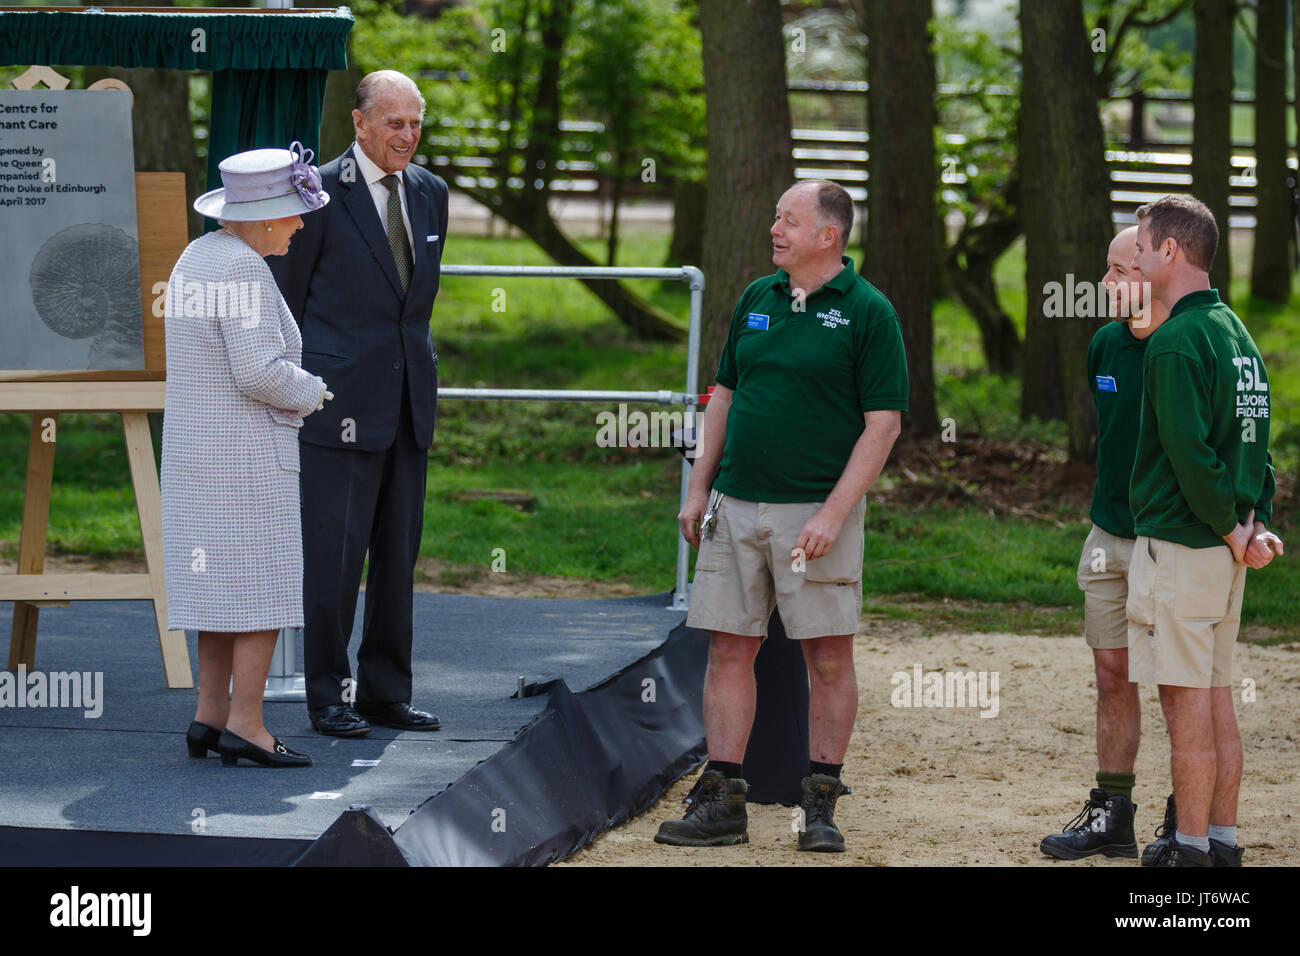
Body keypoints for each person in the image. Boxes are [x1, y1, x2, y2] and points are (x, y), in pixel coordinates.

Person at [655, 179, 907, 852]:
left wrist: (833, 513)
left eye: (789, 221)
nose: (775, 229)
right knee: (727, 648)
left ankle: (820, 799)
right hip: (734, 505)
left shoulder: (869, 313)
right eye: (775, 217)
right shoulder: (755, 298)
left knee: (827, 657)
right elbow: (723, 397)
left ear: (829, 235)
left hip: (815, 516)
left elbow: (882, 427)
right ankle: (723, 796)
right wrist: (698, 488)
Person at [269, 71, 449, 738]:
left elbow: (413, 307)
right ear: (360, 124)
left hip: (408, 405)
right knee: (335, 562)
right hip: (335, 403)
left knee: (398, 558)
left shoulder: (431, 193)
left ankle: (385, 693)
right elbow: (286, 300)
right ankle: (328, 697)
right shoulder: (316, 196)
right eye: (393, 122)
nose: (406, 135)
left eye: (415, 122)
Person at [1127, 194, 1282, 866]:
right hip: (1226, 551)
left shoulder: (1175, 340)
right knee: (1217, 699)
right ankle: (1222, 840)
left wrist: (1226, 530)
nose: (1132, 258)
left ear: (1170, 251)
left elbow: (1192, 454)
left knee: (1184, 706)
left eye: (1139, 246)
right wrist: (1254, 525)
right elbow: (1255, 446)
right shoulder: (1236, 333)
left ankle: (1188, 848)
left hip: (1190, 547)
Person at [165, 142, 331, 767]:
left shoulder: (196, 255)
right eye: (293, 212)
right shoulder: (242, 269)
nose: (299, 224)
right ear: (263, 216)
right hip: (245, 457)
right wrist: (313, 392)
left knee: (219, 590)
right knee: (261, 591)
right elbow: (260, 372)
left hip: (199, 456)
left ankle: (209, 717)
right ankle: (248, 724)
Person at [1040, 225, 1165, 859]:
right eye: (1106, 269)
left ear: (1156, 267)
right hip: (1106, 534)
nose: (1105, 284)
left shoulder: (1187, 344)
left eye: (1120, 271)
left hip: (1170, 543)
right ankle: (1113, 813)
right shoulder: (1105, 345)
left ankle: (1184, 817)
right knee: (1112, 675)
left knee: (1181, 683)